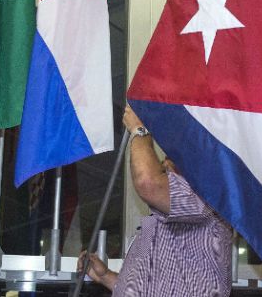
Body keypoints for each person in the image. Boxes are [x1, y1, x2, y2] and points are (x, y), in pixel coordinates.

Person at [77, 105, 233, 296]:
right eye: (164, 162)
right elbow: (154, 288)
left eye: (172, 160)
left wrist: (139, 129)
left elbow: (147, 182)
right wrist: (106, 277)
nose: (164, 165)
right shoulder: (174, 214)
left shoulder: (205, 198)